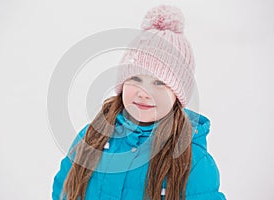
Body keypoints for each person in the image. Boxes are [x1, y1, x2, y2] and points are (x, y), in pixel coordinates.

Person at [52, 4, 226, 200]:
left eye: (159, 83)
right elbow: (64, 189)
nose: (144, 93)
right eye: (135, 79)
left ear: (178, 95)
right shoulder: (93, 137)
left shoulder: (193, 162)